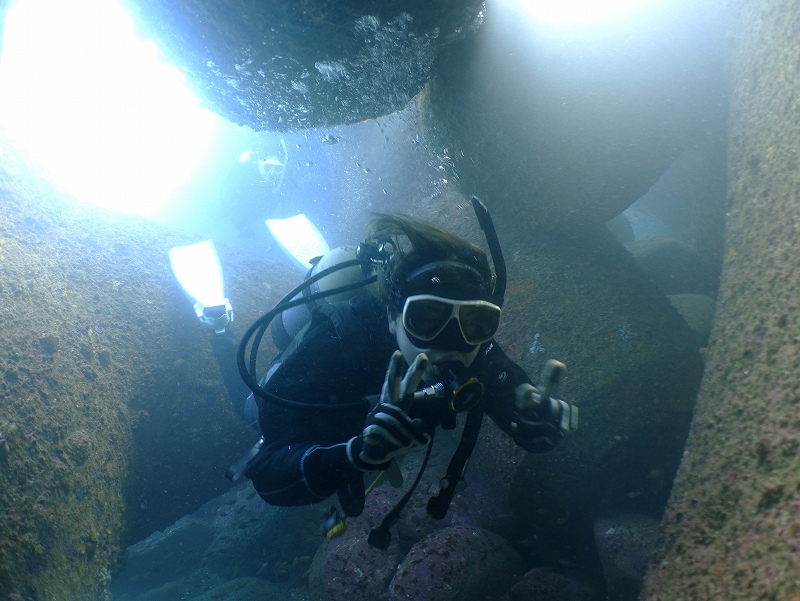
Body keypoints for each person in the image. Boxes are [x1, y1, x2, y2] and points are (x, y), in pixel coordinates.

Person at [208, 211, 577, 544]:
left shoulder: (476, 347)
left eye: (477, 321)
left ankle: (329, 265)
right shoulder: (338, 345)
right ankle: (218, 323)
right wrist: (350, 454)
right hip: (324, 402)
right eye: (426, 319)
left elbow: (525, 415)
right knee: (250, 410)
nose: (453, 343)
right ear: (391, 315)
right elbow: (268, 479)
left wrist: (536, 425)